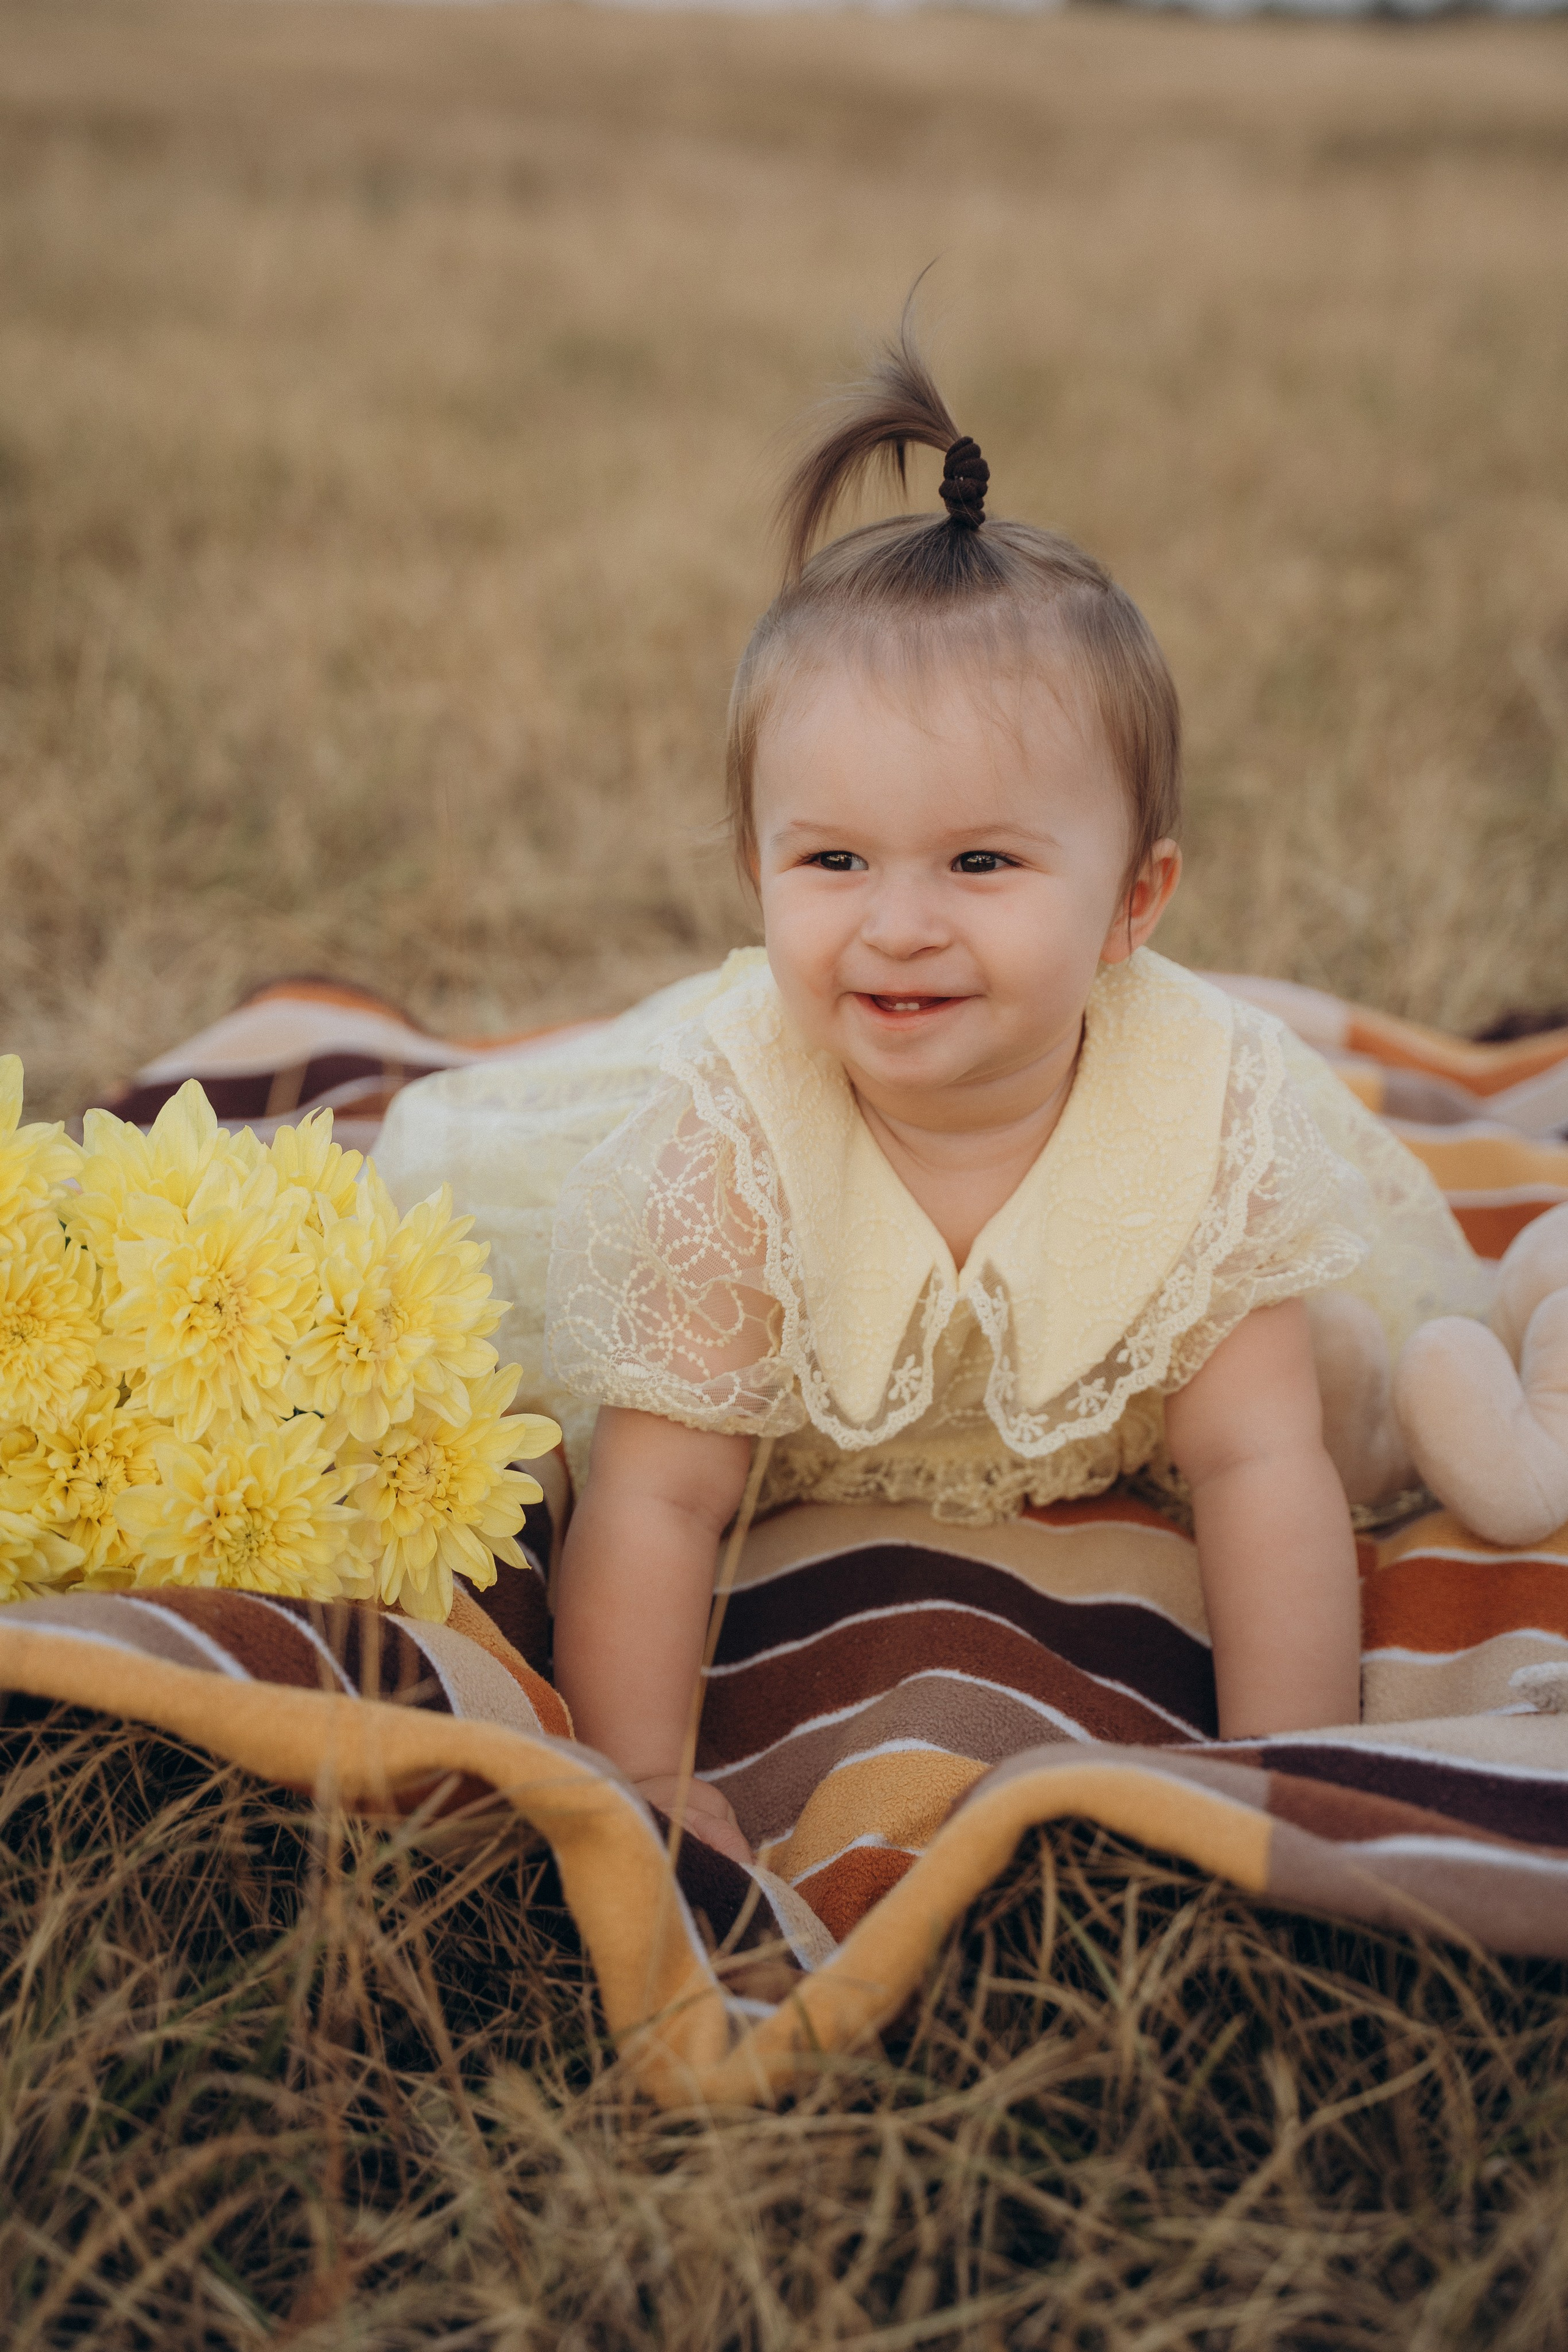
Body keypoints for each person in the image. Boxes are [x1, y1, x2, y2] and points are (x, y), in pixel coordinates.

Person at [375, 319, 1487, 1868]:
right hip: (780, 1365)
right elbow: (658, 1501)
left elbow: (1253, 1466)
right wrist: (636, 1776)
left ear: (1129, 905)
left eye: (979, 863)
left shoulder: (1195, 1125)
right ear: (756, 866)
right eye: (830, 861)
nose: (896, 923)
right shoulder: (733, 1145)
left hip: (1126, 1324)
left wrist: (1278, 1777)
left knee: (1322, 1394)